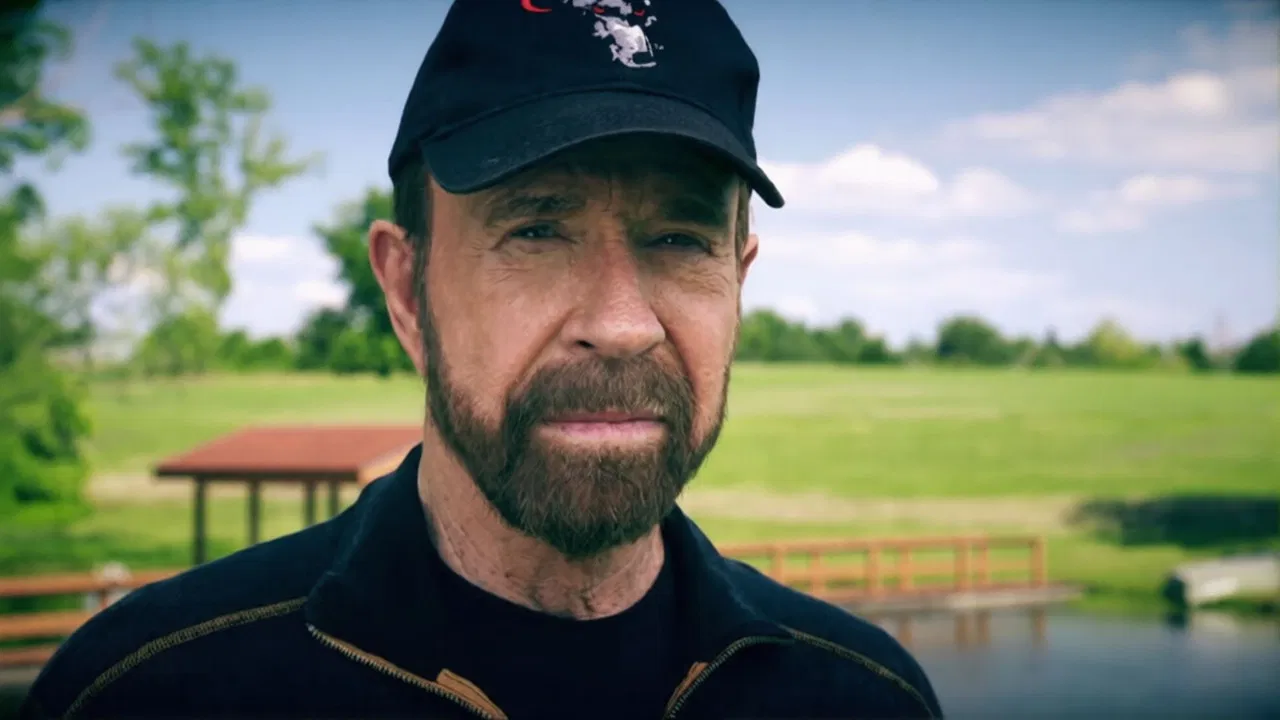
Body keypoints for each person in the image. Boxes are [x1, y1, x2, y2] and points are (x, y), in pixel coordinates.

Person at [20, 1, 942, 718]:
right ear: (405, 289)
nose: (621, 325)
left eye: (678, 238)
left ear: (737, 282)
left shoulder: (862, 697)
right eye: (536, 230)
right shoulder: (149, 690)